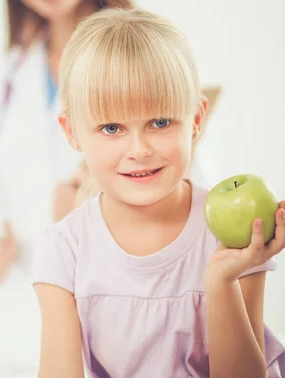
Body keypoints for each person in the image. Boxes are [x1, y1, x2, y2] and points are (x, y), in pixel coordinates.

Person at [32, 8, 285, 377]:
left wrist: (221, 281)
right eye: (111, 128)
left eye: (160, 122)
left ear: (196, 120)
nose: (138, 149)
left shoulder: (231, 233)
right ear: (71, 131)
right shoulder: (62, 249)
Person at [0, 1, 136, 375]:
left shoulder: (133, 49)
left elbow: (183, 165)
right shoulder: (14, 70)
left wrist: (90, 203)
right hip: (31, 302)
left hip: (122, 289)